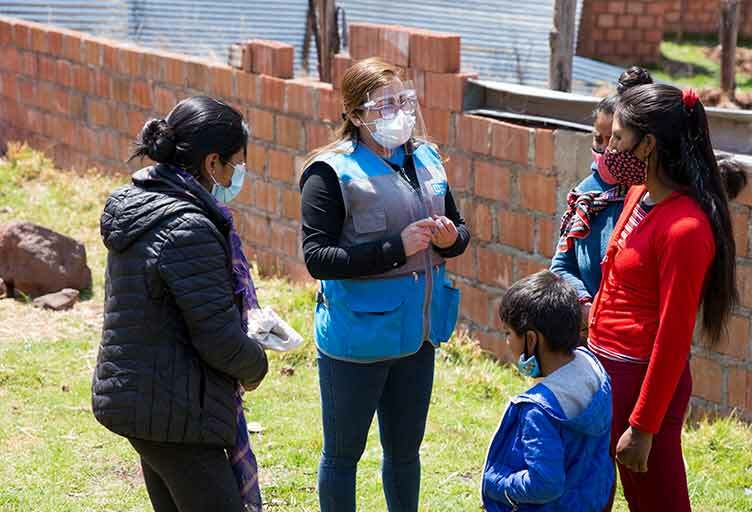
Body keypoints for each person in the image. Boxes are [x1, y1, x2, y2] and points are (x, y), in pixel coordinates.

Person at [299, 57, 470, 512]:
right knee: (343, 454)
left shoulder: (427, 157)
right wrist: (395, 248)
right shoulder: (331, 172)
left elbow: (459, 229)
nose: (399, 112)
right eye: (384, 104)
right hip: (357, 339)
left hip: (419, 334)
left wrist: (452, 240)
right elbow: (318, 258)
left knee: (405, 451)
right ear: (355, 115)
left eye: (403, 100)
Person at [92, 96, 268, 512]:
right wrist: (256, 364)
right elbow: (217, 336)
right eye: (236, 163)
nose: (239, 173)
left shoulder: (141, 202)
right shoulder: (187, 226)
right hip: (175, 410)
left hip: (145, 399)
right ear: (212, 164)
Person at [588, 85, 739, 511]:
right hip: (606, 375)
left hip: (642, 387)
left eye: (618, 138)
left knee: (657, 502)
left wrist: (643, 425)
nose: (609, 148)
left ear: (648, 145)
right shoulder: (639, 195)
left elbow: (673, 337)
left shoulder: (686, 229)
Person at [482, 270, 614, 512]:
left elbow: (545, 484)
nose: (507, 342)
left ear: (531, 340)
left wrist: (498, 484)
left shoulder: (538, 411)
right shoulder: (594, 371)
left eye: (508, 333)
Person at [550, 66, 653, 324]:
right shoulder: (585, 196)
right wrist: (586, 305)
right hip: (589, 328)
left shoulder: (651, 199)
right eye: (599, 139)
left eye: (614, 139)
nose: (607, 149)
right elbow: (562, 266)